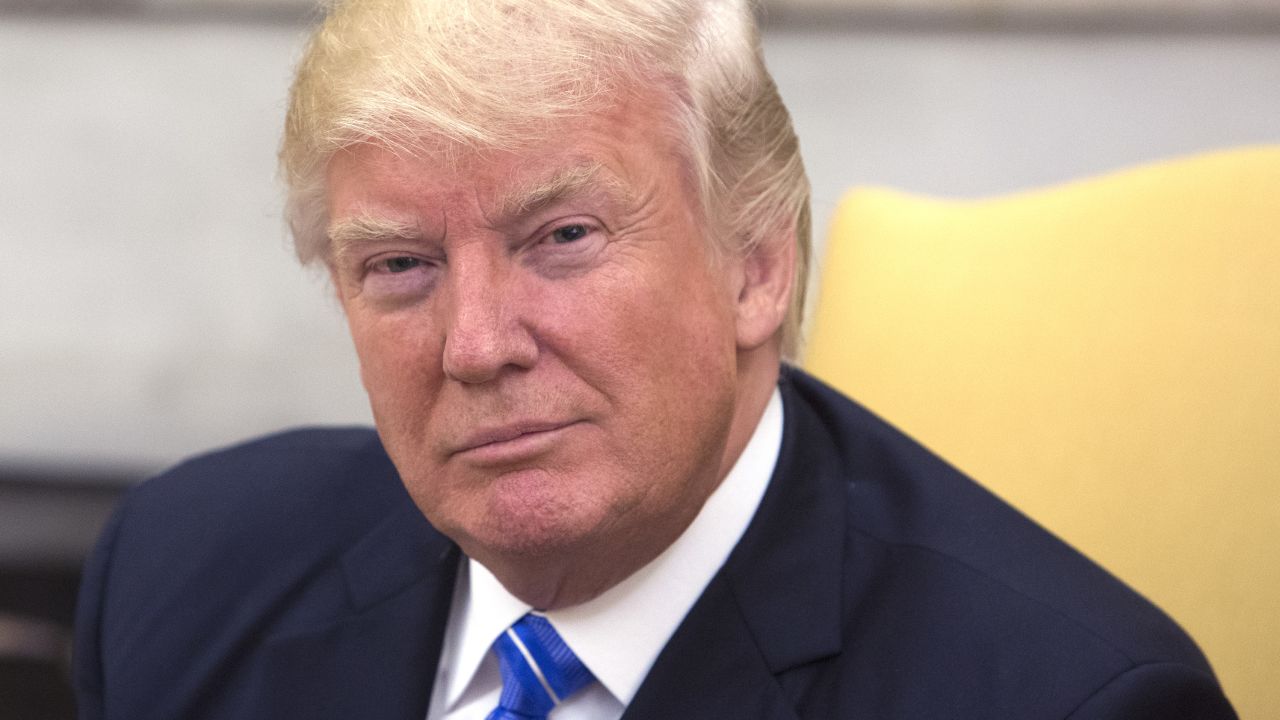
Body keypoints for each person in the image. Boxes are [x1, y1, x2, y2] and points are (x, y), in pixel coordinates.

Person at [74, 1, 1237, 718]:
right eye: (400, 267)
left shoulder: (1062, 700)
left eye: (562, 239)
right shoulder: (180, 578)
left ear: (755, 269)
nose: (476, 345)